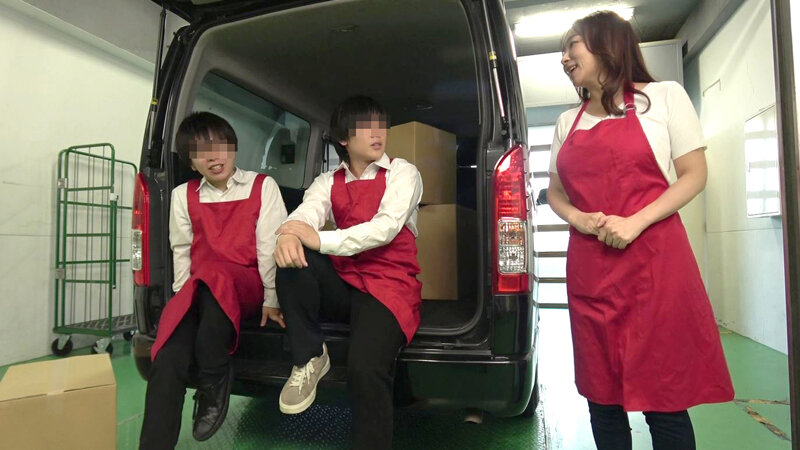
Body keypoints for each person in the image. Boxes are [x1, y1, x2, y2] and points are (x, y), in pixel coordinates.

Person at [547, 11, 734, 450]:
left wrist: (635, 221)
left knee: (663, 400)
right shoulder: (566, 122)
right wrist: (579, 218)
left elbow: (694, 174)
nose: (564, 57)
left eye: (572, 45)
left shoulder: (664, 97)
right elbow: (555, 193)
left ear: (606, 44)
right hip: (591, 271)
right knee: (601, 398)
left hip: (654, 268)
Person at [273, 95, 422, 449]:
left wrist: (320, 239)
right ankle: (310, 355)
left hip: (388, 287)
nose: (377, 133)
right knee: (291, 256)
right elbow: (307, 213)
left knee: (365, 369)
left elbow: (385, 228)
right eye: (366, 127)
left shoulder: (403, 173)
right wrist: (289, 233)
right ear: (343, 138)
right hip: (344, 281)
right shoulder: (327, 181)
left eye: (381, 125)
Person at [139, 112, 287, 449]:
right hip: (201, 289)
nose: (213, 157)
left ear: (232, 147)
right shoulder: (183, 195)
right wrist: (181, 304)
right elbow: (181, 251)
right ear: (191, 162)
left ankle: (212, 378)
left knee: (215, 273)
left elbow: (270, 247)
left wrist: (272, 298)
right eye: (200, 152)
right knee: (167, 358)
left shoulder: (262, 186)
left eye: (219, 146)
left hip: (247, 286)